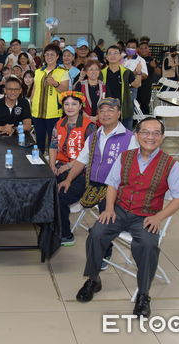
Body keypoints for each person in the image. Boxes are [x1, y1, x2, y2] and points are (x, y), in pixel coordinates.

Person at [75, 117, 179, 318]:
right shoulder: (125, 157)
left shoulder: (171, 164)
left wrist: (159, 217)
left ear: (162, 138)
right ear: (136, 135)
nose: (150, 137)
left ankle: (143, 294)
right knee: (97, 233)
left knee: (147, 245)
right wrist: (108, 208)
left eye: (155, 133)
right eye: (145, 132)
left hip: (145, 216)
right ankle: (93, 279)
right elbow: (112, 184)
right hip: (119, 210)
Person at [58, 97, 137, 254]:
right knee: (59, 194)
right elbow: (81, 160)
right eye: (102, 111)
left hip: (113, 188)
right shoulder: (94, 136)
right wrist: (68, 179)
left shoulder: (130, 138)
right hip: (90, 181)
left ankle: (105, 251)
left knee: (105, 215)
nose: (105, 114)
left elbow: (134, 170)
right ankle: (65, 234)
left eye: (110, 110)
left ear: (119, 113)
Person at [49, 91, 96, 245]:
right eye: (67, 104)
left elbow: (90, 155)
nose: (70, 107)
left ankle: (65, 234)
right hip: (60, 167)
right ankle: (50, 225)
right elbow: (53, 146)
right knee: (43, 186)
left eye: (74, 104)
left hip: (82, 173)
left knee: (60, 196)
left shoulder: (89, 127)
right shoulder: (59, 123)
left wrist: (68, 166)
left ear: (80, 106)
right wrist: (51, 166)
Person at [31, 43, 70, 152]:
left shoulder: (63, 72)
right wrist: (32, 101)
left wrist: (55, 83)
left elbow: (65, 90)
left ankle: (52, 163)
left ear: (57, 56)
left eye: (52, 54)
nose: (49, 57)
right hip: (37, 111)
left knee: (53, 140)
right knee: (39, 140)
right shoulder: (38, 72)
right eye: (47, 54)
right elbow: (34, 89)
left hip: (53, 112)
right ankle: (39, 161)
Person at [101, 45, 141, 130]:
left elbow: (136, 84)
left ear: (120, 56)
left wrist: (139, 73)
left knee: (125, 136)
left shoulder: (126, 72)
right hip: (106, 110)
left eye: (115, 53)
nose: (113, 55)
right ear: (106, 57)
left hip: (124, 109)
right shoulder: (101, 73)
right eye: (110, 53)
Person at [137, 41, 160, 115]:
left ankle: (145, 122)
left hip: (146, 87)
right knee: (134, 105)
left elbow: (159, 73)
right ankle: (134, 122)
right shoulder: (135, 59)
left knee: (144, 105)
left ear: (148, 49)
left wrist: (155, 66)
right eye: (141, 48)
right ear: (138, 49)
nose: (143, 50)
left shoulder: (152, 60)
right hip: (135, 86)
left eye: (145, 48)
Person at [123, 39, 148, 104]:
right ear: (125, 47)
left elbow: (145, 75)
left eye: (133, 47)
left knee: (129, 108)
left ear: (137, 49)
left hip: (131, 88)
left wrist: (134, 75)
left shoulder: (140, 60)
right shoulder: (122, 59)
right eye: (128, 47)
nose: (130, 49)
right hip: (120, 86)